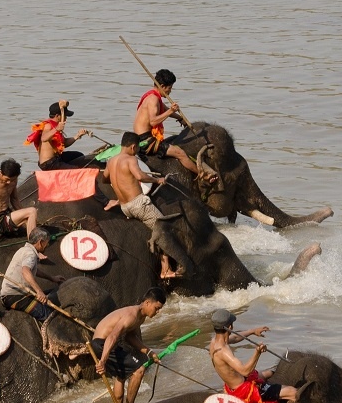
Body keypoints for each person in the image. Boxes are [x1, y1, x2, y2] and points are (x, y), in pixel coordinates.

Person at [102, 132, 178, 280]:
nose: (136, 151)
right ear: (133, 146)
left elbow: (105, 179)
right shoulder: (131, 159)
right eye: (136, 149)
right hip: (138, 204)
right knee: (165, 227)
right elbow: (140, 176)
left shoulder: (111, 161)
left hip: (125, 207)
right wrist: (157, 180)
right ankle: (165, 269)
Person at [91, 285, 165, 403]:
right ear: (147, 303)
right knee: (139, 370)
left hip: (103, 344)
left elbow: (130, 338)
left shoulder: (140, 317)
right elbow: (113, 336)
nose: (157, 312)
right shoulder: (131, 315)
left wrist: (150, 352)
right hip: (103, 344)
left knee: (120, 377)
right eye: (157, 308)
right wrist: (103, 360)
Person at [133, 68, 215, 181]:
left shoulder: (151, 95)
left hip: (141, 137)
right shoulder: (153, 100)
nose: (169, 92)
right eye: (169, 88)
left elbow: (163, 109)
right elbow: (153, 121)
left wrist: (179, 118)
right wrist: (171, 111)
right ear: (162, 85)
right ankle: (203, 175)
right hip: (146, 141)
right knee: (180, 153)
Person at [209, 309, 302, 403]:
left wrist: (252, 331)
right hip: (244, 390)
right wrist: (257, 353)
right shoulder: (224, 351)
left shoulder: (215, 342)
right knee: (293, 392)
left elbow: (236, 337)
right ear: (230, 327)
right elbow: (245, 371)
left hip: (237, 382)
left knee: (268, 373)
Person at [0, 228, 61, 322]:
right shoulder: (30, 254)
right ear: (40, 242)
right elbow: (26, 271)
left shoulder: (23, 249)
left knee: (52, 293)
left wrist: (52, 278)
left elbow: (34, 270)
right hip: (15, 296)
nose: (47, 246)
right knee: (49, 317)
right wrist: (39, 291)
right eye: (46, 243)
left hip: (15, 293)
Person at [25, 100, 86, 165]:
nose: (66, 118)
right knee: (76, 169)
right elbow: (44, 138)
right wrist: (56, 129)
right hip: (49, 163)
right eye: (65, 115)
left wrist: (77, 136)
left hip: (57, 158)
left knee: (79, 155)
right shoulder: (48, 126)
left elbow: (64, 143)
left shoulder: (55, 125)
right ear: (57, 116)